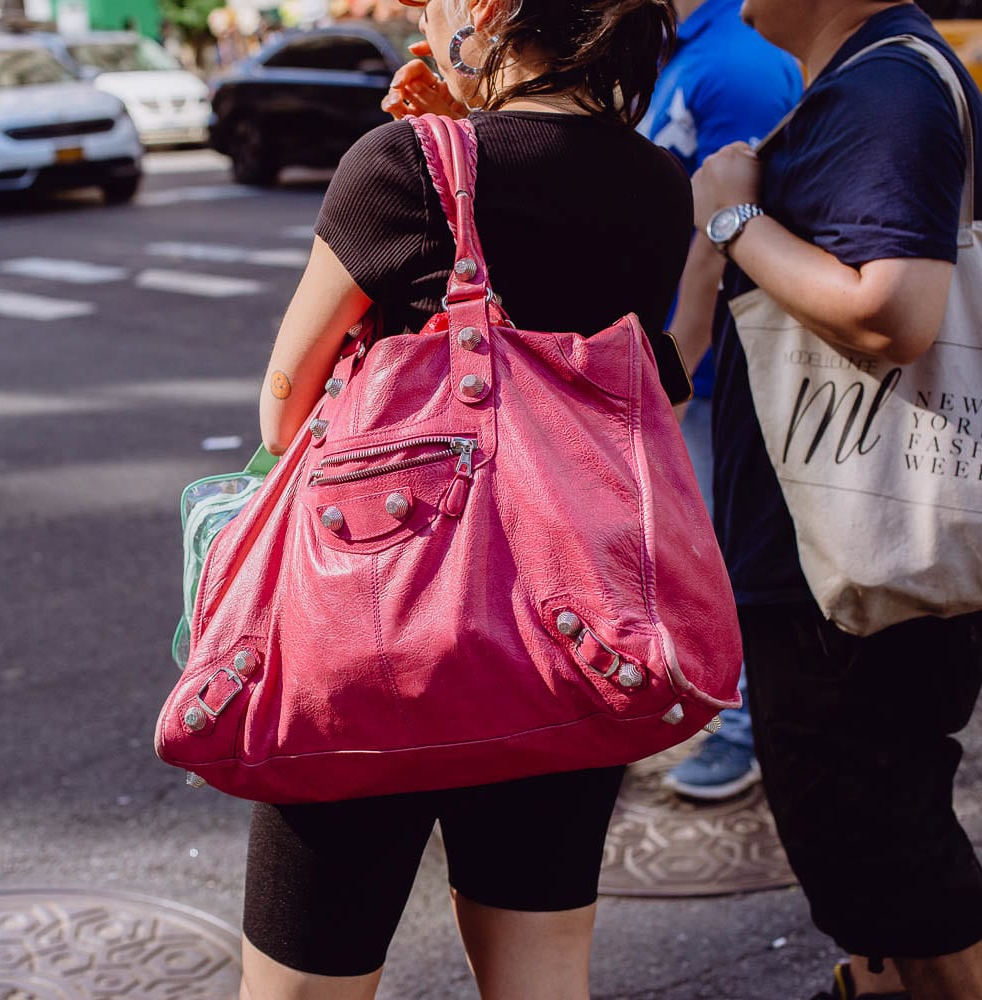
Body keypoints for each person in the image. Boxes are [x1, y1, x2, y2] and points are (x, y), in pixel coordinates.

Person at [239, 1, 692, 998]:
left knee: (305, 983)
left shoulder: (398, 164)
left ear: (480, 15)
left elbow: (285, 409)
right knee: (539, 978)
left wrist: (432, 139)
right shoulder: (658, 184)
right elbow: (649, 380)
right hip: (569, 635)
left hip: (371, 641)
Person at [690, 1, 982, 997]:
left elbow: (891, 309)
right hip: (833, 546)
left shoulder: (886, 87)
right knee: (871, 832)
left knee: (882, 840)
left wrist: (734, 219)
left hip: (854, 554)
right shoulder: (871, 79)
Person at [637, 0, 802, 801]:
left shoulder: (733, 62)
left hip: (714, 361)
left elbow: (729, 229)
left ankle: (744, 731)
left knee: (727, 553)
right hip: (684, 357)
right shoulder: (684, 50)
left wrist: (684, 356)